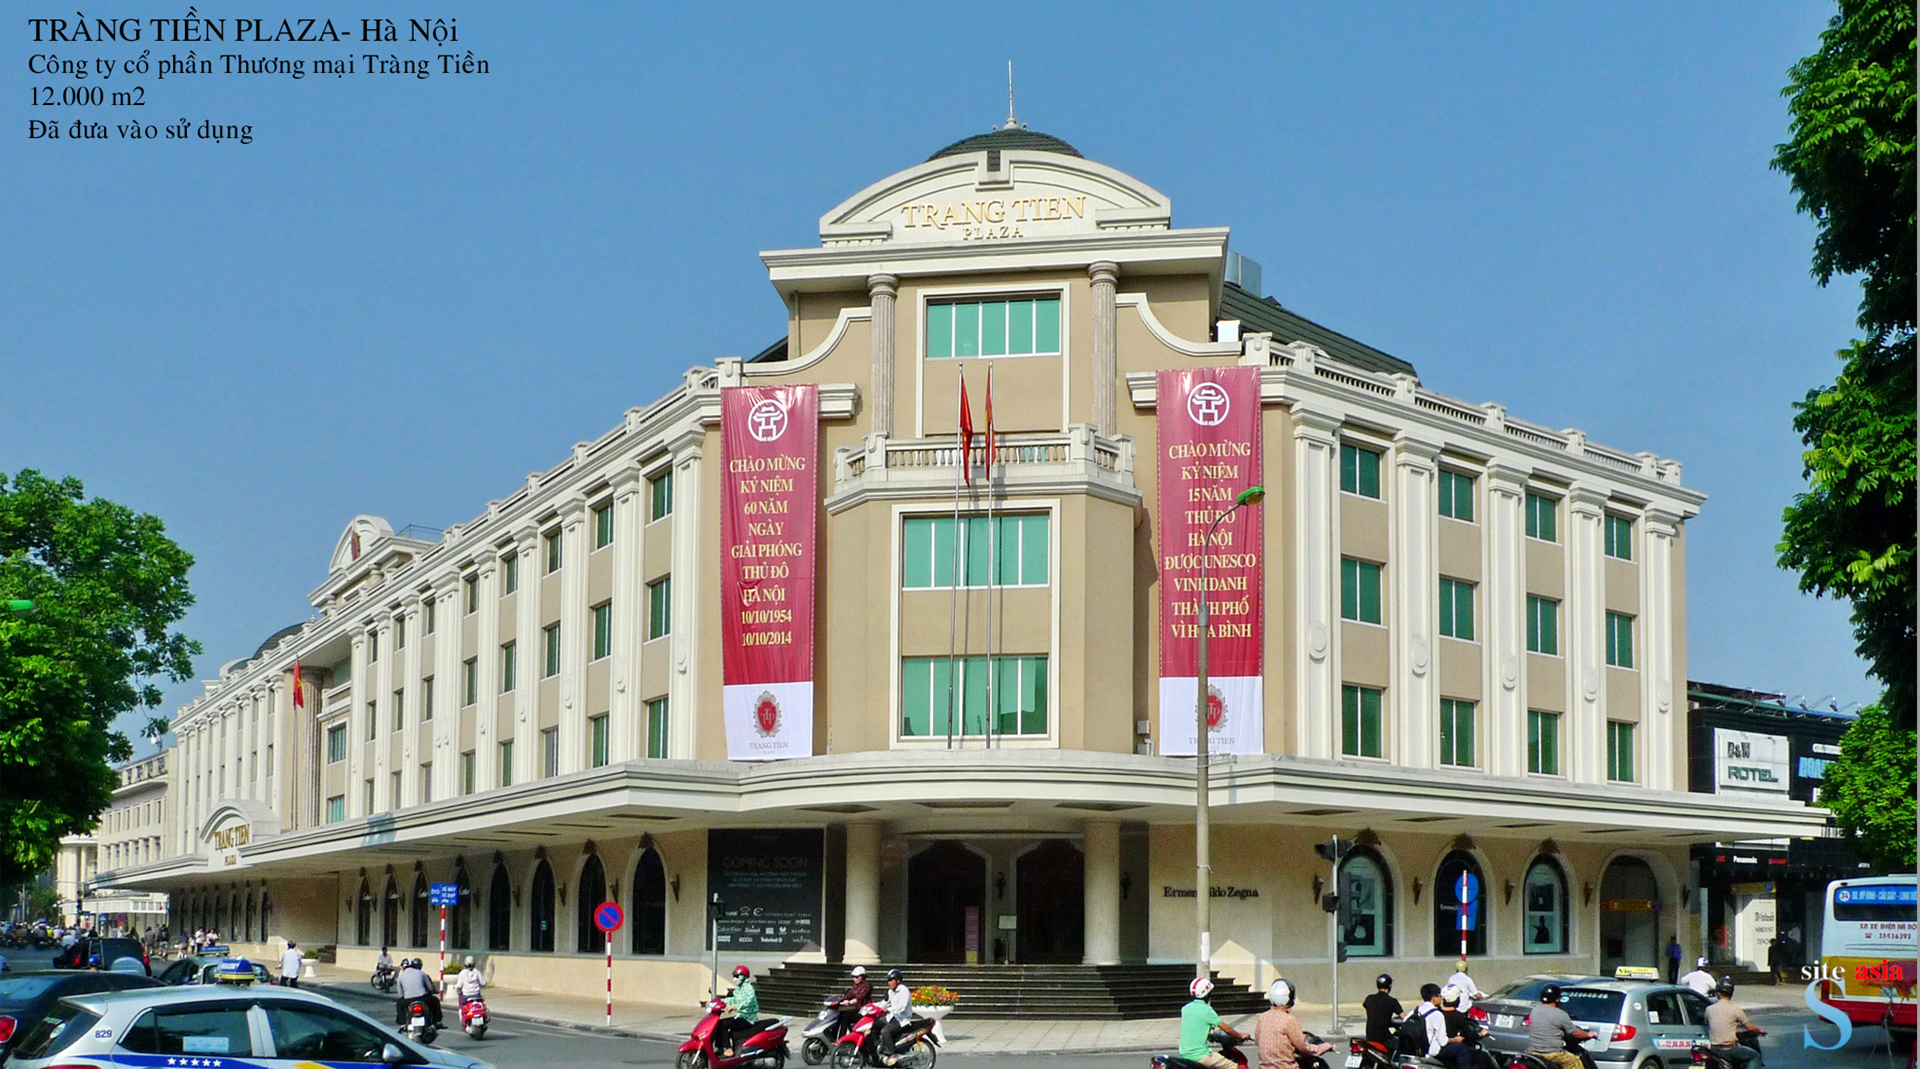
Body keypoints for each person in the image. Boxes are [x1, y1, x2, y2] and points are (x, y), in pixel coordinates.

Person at [1255, 979, 1333, 1069]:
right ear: (1289, 999)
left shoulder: (1262, 1018)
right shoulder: (1289, 1020)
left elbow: (1258, 1040)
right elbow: (1304, 1047)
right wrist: (1325, 1047)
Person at [1179, 976, 1249, 1069]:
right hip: (1201, 1056)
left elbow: (1195, 1027)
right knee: (1236, 1067)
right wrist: (1240, 1035)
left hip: (1185, 1055)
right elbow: (1226, 1029)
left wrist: (1210, 1036)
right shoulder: (1207, 1010)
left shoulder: (1185, 1009)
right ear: (1207, 994)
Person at [1522, 983, 1594, 1069]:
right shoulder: (1560, 1014)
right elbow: (1576, 1033)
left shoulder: (1534, 1011)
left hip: (1533, 1053)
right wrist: (1589, 1035)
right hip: (1552, 1054)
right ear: (1557, 999)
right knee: (1574, 1061)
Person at [1703, 979, 1764, 1067]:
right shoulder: (1736, 1010)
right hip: (1730, 1050)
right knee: (1755, 1056)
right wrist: (1760, 1030)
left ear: (1718, 993)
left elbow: (1707, 1022)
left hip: (1714, 1050)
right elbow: (1750, 1027)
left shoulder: (1709, 1009)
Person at [1437, 986, 1489, 1069]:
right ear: (1457, 1000)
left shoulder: (1436, 1013)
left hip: (1436, 1047)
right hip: (1449, 1049)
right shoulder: (1458, 1016)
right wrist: (1480, 1034)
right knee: (1482, 1057)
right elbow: (1469, 1035)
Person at [719, 964, 760, 1057]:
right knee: (719, 1023)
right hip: (740, 1016)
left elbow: (747, 1002)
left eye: (737, 976)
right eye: (734, 976)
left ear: (743, 977)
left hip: (748, 1018)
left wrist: (735, 1007)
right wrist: (720, 1002)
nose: (735, 979)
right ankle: (720, 1048)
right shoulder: (739, 989)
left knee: (724, 1025)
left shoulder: (749, 989)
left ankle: (728, 1049)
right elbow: (734, 999)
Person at [879, 969, 915, 1066]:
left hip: (902, 1019)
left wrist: (889, 1009)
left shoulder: (904, 991)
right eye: (888, 981)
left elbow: (902, 1007)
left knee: (885, 1031)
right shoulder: (890, 991)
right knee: (874, 1025)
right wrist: (873, 1007)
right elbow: (885, 1002)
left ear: (898, 981)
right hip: (891, 1017)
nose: (889, 983)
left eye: (891, 980)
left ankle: (892, 1055)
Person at [397, 958, 443, 1029]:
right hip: (423, 998)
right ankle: (437, 1021)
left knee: (399, 1004)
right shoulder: (421, 973)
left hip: (408, 1000)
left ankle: (402, 1023)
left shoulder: (400, 977)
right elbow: (430, 988)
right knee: (435, 1000)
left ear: (403, 967)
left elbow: (400, 994)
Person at [1361, 973, 1402, 1051]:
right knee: (1398, 1044)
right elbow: (1404, 1016)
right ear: (1390, 986)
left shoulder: (1369, 998)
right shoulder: (1392, 1001)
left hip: (1370, 1036)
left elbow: (1365, 1005)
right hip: (1383, 1038)